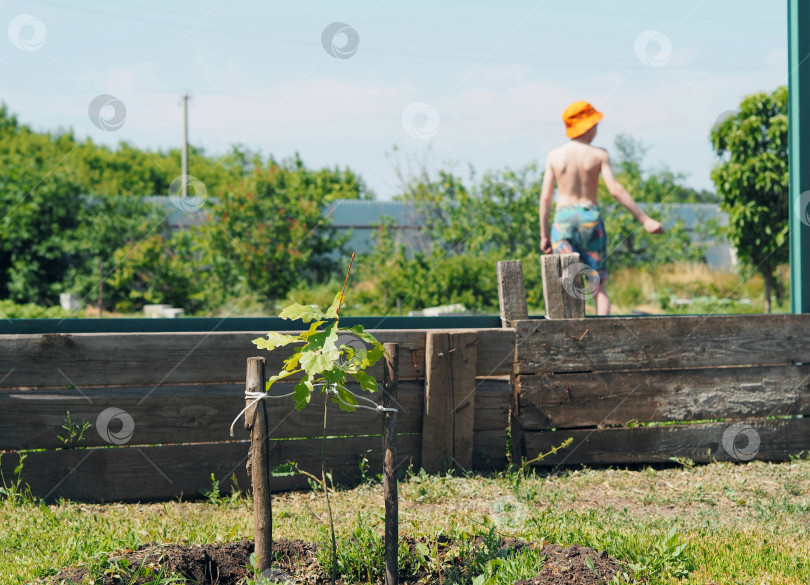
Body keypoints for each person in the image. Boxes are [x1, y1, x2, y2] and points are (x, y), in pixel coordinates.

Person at [539, 101, 664, 315]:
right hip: (590, 218)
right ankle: (601, 333)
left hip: (563, 220)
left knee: (568, 280)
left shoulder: (554, 156)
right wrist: (644, 219)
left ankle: (568, 334)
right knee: (597, 283)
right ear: (588, 126)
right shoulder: (599, 155)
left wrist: (544, 235)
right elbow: (615, 190)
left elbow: (545, 199)